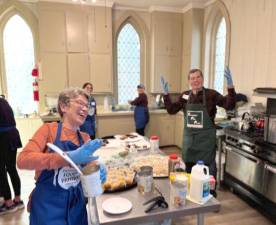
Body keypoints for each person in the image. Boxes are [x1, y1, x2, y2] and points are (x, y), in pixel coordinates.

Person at [17, 88, 106, 225]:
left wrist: (97, 169)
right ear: (63, 106)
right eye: (80, 103)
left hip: (76, 208)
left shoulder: (85, 137)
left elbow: (88, 167)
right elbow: (23, 160)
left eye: (87, 106)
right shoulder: (48, 130)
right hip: (48, 208)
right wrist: (65, 158)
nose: (85, 109)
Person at [161, 68, 236, 188]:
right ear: (189, 81)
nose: (195, 80)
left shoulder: (211, 94)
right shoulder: (185, 95)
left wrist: (230, 87)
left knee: (207, 175)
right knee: (190, 176)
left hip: (205, 143)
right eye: (192, 78)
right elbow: (171, 110)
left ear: (202, 78)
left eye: (198, 77)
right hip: (189, 143)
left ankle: (210, 195)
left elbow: (229, 105)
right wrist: (165, 95)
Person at [0, 95, 24, 215]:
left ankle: (8, 203)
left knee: (1, 171)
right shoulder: (3, 101)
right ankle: (18, 200)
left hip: (3, 138)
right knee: (11, 168)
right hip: (13, 136)